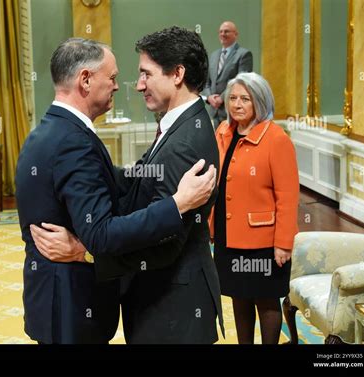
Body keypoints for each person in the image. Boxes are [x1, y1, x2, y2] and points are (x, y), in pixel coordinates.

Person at [15, 38, 217, 344]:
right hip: (70, 305)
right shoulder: (73, 139)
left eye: (146, 74)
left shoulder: (52, 129)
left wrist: (83, 252)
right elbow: (101, 231)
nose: (127, 86)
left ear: (177, 75)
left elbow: (118, 188)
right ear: (85, 80)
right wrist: (177, 204)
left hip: (161, 307)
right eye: (112, 78)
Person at [208, 72, 299, 344]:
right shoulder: (223, 132)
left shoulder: (276, 139)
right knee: (239, 295)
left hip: (263, 238)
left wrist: (283, 243)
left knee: (266, 300)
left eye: (245, 99)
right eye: (233, 98)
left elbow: (288, 195)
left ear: (260, 102)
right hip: (228, 233)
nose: (237, 104)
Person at [202, 21, 253, 127]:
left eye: (226, 31)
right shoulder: (214, 55)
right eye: (220, 32)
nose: (223, 34)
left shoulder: (244, 54)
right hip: (214, 112)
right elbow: (207, 82)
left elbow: (241, 82)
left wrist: (222, 98)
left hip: (233, 110)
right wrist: (209, 97)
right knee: (218, 143)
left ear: (236, 34)